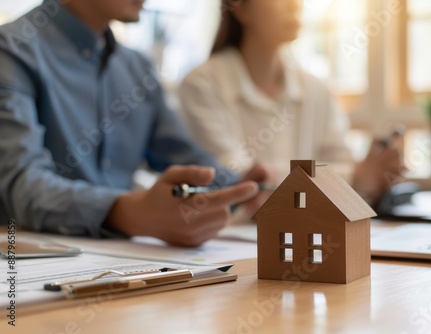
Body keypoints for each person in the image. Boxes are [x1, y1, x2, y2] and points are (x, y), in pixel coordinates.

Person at [0, 0, 272, 246]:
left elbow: (184, 155)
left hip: (127, 263)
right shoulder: (11, 50)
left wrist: (241, 188)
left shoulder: (138, 69)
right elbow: (21, 184)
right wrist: (128, 212)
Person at [179, 0, 403, 206]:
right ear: (241, 8)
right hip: (233, 241)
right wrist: (354, 177)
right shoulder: (201, 85)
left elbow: (342, 163)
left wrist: (361, 178)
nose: (295, 4)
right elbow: (242, 181)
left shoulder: (317, 89)